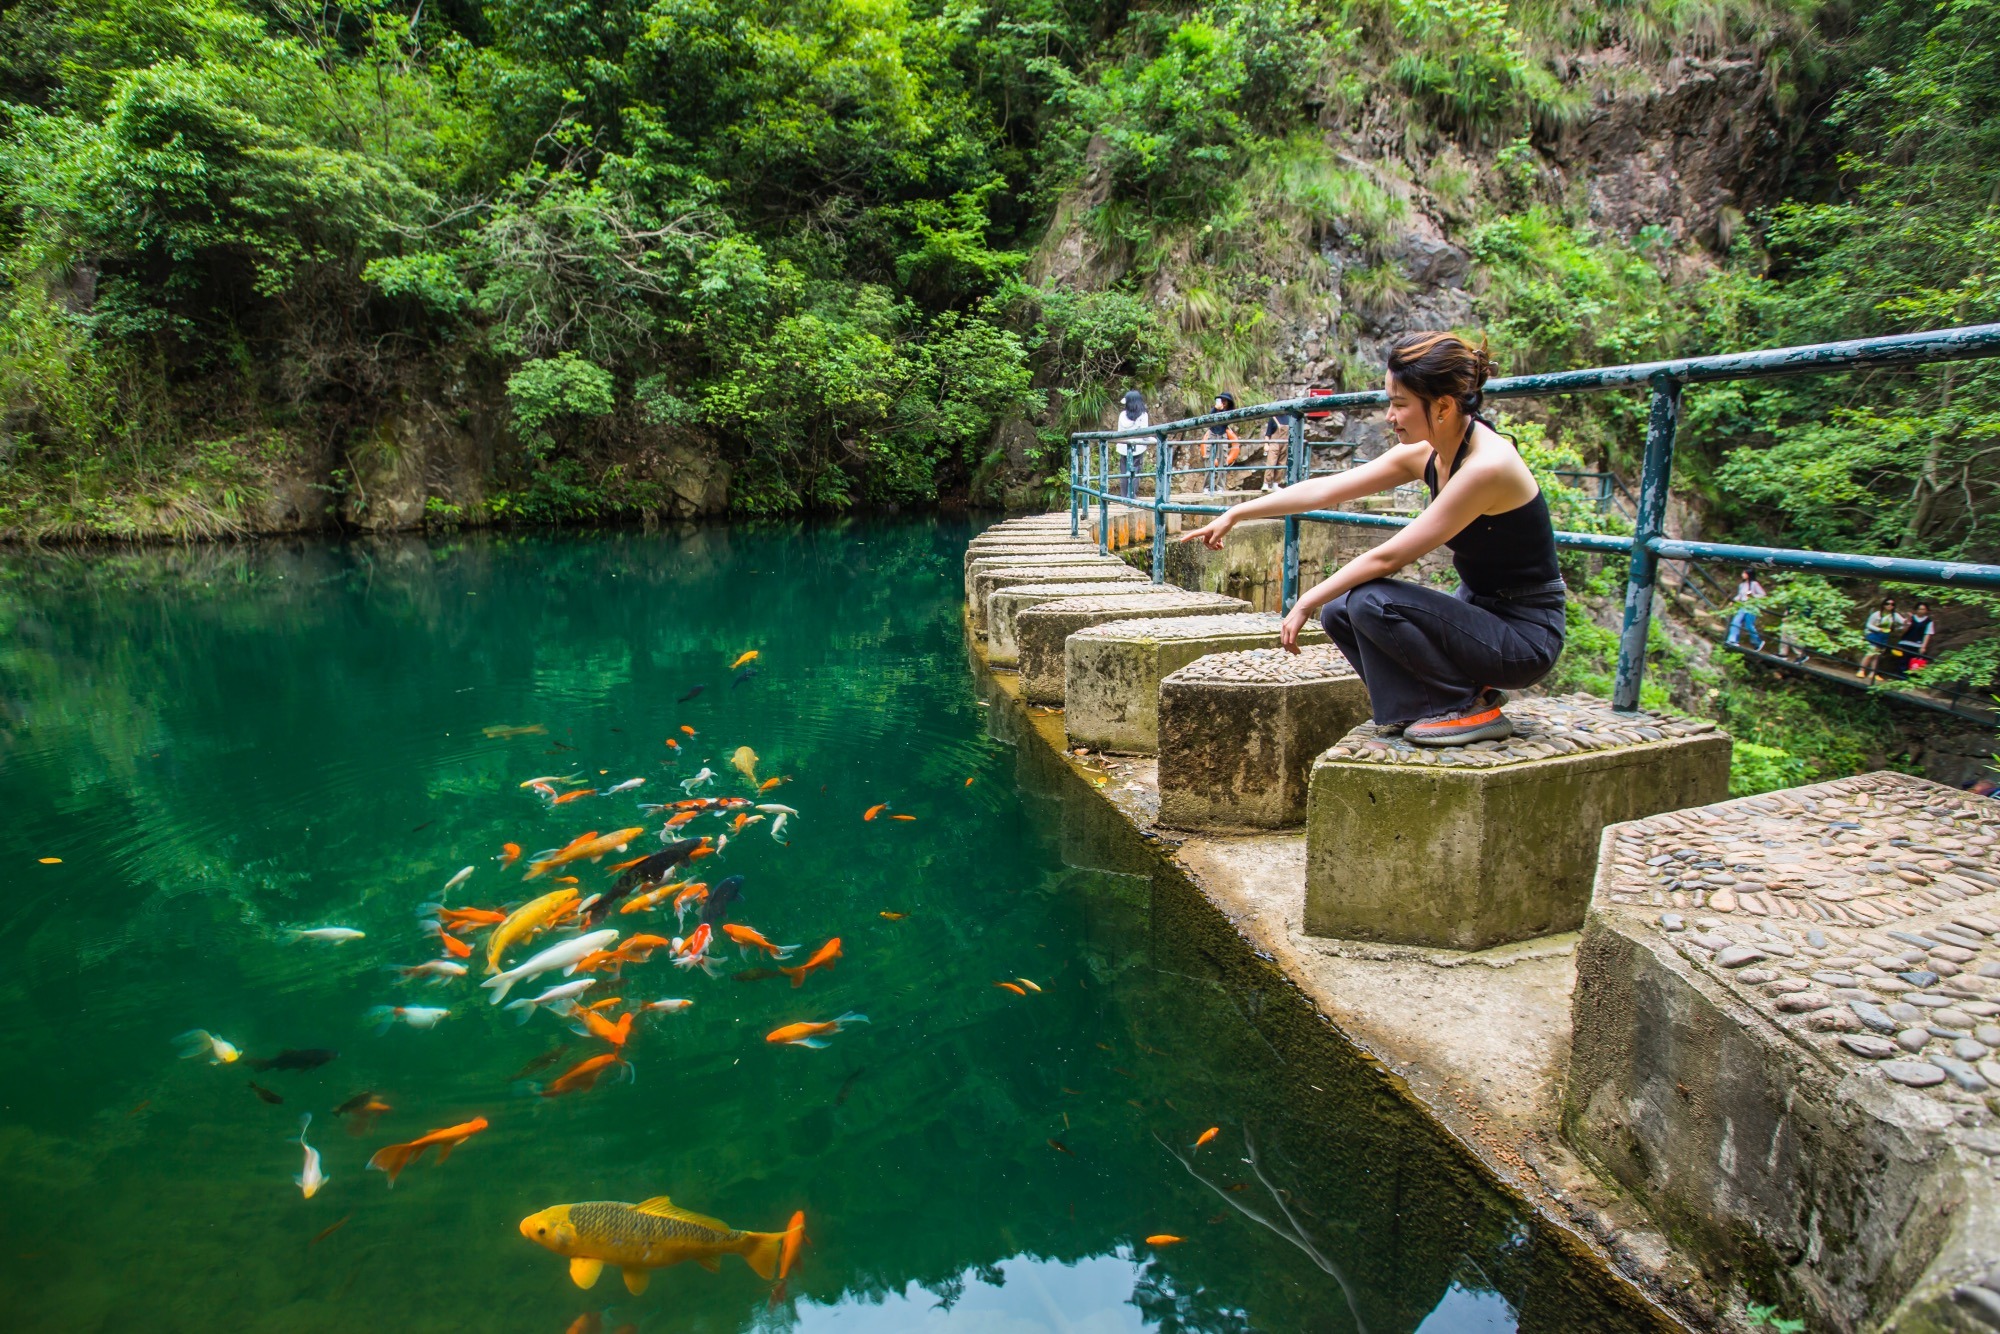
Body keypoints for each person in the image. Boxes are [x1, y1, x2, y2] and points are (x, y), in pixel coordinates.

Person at [1181, 332, 1561, 747]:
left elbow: (1388, 558)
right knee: (1341, 611)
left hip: (1525, 639)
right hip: (1481, 621)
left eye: (1400, 405)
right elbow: (1327, 489)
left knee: (1368, 599)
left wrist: (1307, 600)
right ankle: (1431, 702)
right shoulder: (1430, 451)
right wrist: (1238, 512)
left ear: (1443, 406)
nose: (1390, 416)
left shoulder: (1487, 465)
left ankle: (1465, 705)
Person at [1860, 597, 1907, 681]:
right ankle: (1861, 670)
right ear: (1883, 605)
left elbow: (1903, 622)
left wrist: (1908, 620)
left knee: (1877, 655)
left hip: (1884, 636)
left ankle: (1873, 673)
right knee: (1870, 653)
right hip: (1874, 635)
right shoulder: (1877, 614)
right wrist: (1879, 629)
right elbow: (1868, 624)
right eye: (1887, 604)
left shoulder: (1894, 615)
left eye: (1892, 604)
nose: (1890, 606)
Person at [1113, 390, 1149, 500]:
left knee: (1124, 473)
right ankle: (1132, 496)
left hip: (1123, 447)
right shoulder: (1143, 415)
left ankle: (1124, 497)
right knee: (1135, 472)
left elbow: (1119, 433)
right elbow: (1145, 434)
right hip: (1137, 448)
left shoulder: (1122, 415)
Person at [1203, 393, 1237, 491]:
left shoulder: (1229, 412)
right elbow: (1209, 418)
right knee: (1209, 461)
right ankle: (1207, 487)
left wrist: (1221, 410)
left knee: (1223, 461)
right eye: (1221, 400)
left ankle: (1220, 487)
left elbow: (1226, 421)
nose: (1223, 402)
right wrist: (1216, 408)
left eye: (1225, 401)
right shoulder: (1214, 409)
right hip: (1212, 434)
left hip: (1223, 434)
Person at [1726, 570, 1766, 650]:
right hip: (1743, 605)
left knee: (1749, 625)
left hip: (1751, 606)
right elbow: (1740, 596)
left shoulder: (1754, 584)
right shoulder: (1742, 585)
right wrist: (1733, 601)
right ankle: (1733, 640)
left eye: (1744, 573)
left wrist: (1753, 596)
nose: (1743, 574)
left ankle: (1757, 642)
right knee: (1735, 621)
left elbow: (1763, 595)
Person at [1260, 413, 1295, 491]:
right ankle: (1266, 484)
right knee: (1271, 463)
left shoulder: (1290, 418)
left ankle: (1276, 484)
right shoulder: (1273, 418)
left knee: (1282, 464)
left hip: (1285, 444)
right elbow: (1268, 434)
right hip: (1274, 443)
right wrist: (1266, 444)